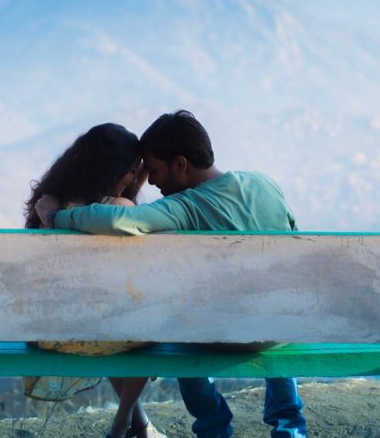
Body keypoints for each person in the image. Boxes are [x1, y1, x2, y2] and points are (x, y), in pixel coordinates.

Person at [42, 110, 308, 438]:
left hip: (225, 336)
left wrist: (56, 217)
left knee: (179, 324)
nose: (151, 181)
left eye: (153, 171)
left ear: (180, 165)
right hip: (282, 328)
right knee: (276, 309)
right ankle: (289, 427)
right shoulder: (265, 183)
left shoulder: (186, 206)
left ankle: (213, 426)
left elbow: (118, 221)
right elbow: (295, 242)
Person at [25, 122, 163, 438]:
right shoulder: (119, 209)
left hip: (53, 330)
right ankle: (122, 422)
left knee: (110, 321)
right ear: (109, 170)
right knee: (143, 324)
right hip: (97, 330)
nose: (132, 178)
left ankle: (138, 424)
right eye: (130, 171)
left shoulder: (50, 205)